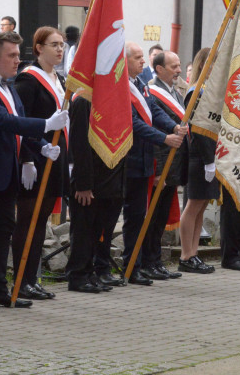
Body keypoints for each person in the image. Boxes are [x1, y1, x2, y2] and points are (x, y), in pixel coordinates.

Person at [0, 31, 65, 309]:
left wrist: (42, 146)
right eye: (12, 55)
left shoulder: (8, 87)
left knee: (5, 229)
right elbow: (3, 120)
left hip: (7, 171)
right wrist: (45, 126)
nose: (18, 60)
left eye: (19, 55)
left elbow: (19, 121)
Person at [121, 42, 186, 285]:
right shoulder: (122, 87)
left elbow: (154, 112)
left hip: (147, 158)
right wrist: (164, 137)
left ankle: (145, 264)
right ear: (124, 60)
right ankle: (132, 266)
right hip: (133, 158)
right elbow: (134, 122)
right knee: (135, 217)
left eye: (141, 57)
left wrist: (173, 126)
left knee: (143, 216)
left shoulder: (140, 85)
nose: (141, 61)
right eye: (137, 57)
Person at [12, 27, 69, 301]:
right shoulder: (29, 79)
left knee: (41, 221)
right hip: (34, 157)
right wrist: (28, 157)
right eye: (54, 44)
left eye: (62, 45)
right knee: (27, 220)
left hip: (55, 157)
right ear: (38, 48)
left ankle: (32, 279)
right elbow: (21, 121)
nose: (60, 49)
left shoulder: (60, 79)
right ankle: (21, 280)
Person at [68, 87, 126, 292]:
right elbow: (79, 144)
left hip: (105, 180)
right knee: (83, 230)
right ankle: (78, 275)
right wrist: (83, 184)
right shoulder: (83, 100)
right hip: (88, 181)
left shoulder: (106, 96)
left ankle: (89, 272)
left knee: (96, 231)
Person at [143, 51, 186, 279]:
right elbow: (156, 131)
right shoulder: (152, 91)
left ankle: (156, 261)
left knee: (161, 218)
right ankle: (148, 261)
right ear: (159, 69)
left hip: (174, 164)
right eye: (174, 66)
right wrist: (159, 171)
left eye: (179, 66)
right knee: (153, 215)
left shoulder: (176, 92)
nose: (178, 70)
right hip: (160, 164)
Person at [178, 48, 218, 274]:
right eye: (214, 63)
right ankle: (185, 254)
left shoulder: (209, 91)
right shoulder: (197, 92)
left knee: (202, 206)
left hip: (210, 154)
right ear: (203, 65)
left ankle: (194, 253)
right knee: (193, 205)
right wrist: (208, 160)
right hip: (200, 155)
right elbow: (200, 129)